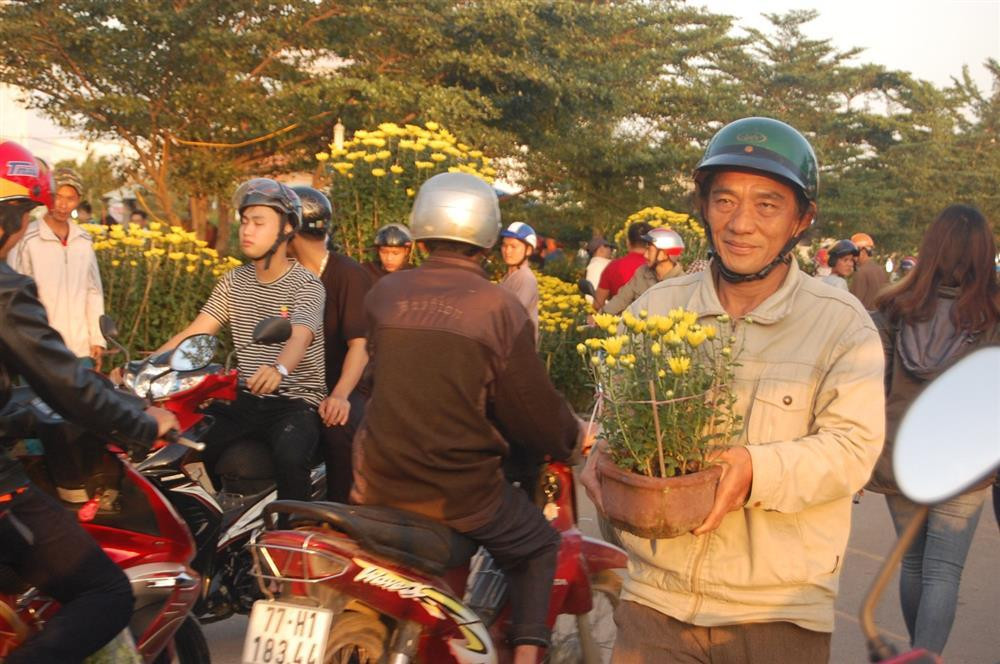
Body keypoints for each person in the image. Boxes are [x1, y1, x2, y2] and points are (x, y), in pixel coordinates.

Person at [582, 117, 885, 663]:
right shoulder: (657, 308)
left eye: (767, 205)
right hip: (656, 602)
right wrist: (601, 449)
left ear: (802, 219)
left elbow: (853, 450)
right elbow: (609, 417)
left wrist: (753, 469)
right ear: (704, 207)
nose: (741, 223)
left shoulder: (841, 324)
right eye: (725, 201)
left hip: (776, 612)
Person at [351, 172, 589, 664]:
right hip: (458, 491)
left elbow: (380, 379)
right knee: (538, 546)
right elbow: (531, 409)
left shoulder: (385, 295)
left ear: (421, 231)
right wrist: (573, 437)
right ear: (487, 237)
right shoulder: (498, 307)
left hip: (377, 479)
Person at [0, 139, 177, 663]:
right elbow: (66, 384)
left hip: (70, 353)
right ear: (13, 218)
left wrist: (20, 414)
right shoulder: (6, 288)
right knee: (105, 592)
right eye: (27, 215)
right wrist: (144, 423)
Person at [866, 204, 999, 656]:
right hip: (966, 459)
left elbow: (875, 388)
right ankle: (926, 656)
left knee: (914, 562)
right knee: (943, 570)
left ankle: (916, 653)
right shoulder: (995, 314)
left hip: (902, 452)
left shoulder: (893, 309)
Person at [157, 178, 326, 501]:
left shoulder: (307, 285)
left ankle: (294, 526)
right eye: (245, 221)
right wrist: (146, 366)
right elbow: (197, 331)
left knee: (291, 457)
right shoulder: (234, 281)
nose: (247, 230)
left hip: (295, 402)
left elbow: (301, 335)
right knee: (185, 444)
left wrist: (279, 369)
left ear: (287, 227)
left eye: (258, 223)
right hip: (245, 398)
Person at [287, 185, 372, 503]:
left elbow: (360, 344)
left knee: (339, 427)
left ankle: (340, 514)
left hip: (348, 384)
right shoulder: (286, 276)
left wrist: (340, 395)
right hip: (300, 384)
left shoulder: (348, 275)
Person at [9, 166, 106, 370]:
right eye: (57, 197)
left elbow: (93, 291)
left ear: (78, 200)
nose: (62, 205)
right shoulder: (27, 238)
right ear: (47, 197)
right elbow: (17, 295)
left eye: (70, 198)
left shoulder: (83, 240)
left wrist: (97, 338)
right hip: (40, 348)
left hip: (80, 348)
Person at [602, 227, 684, 315]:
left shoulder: (683, 284)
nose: (645, 255)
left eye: (649, 250)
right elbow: (621, 299)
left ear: (663, 254)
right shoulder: (642, 272)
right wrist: (600, 317)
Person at [593, 221, 652, 311]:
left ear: (628, 242)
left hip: (619, 316)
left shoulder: (614, 267)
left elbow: (598, 304)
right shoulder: (659, 266)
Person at [499, 221, 540, 343]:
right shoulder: (510, 275)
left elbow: (512, 317)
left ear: (528, 250)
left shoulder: (525, 278)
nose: (507, 251)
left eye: (513, 246)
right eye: (504, 246)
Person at [849, 231, 889, 309]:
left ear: (863, 251)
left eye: (854, 253)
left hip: (865, 314)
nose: (852, 257)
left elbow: (854, 302)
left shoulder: (861, 272)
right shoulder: (880, 269)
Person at [583, 236, 614, 304]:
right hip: (605, 307)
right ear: (601, 249)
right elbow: (593, 295)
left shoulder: (594, 265)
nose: (611, 251)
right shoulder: (598, 266)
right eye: (610, 248)